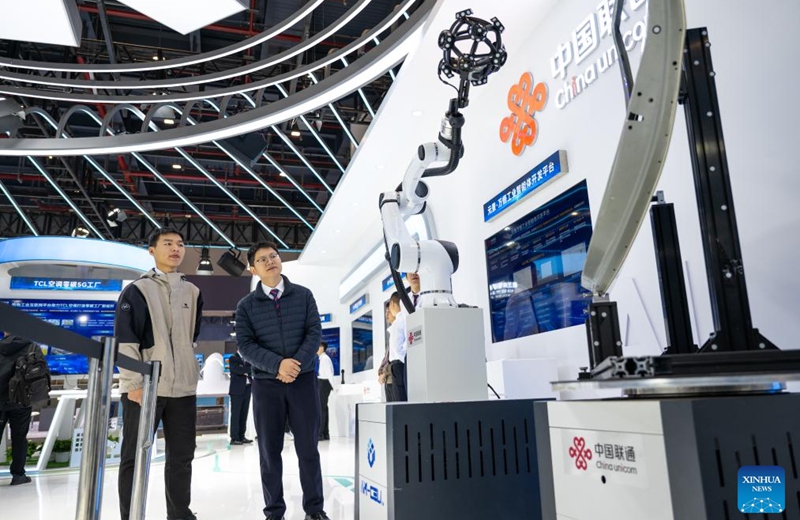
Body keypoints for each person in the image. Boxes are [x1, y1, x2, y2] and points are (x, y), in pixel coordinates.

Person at [235, 241, 329, 520]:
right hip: (266, 385)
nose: (270, 261)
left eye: (273, 255)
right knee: (269, 451)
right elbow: (245, 345)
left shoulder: (303, 295)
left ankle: (315, 510)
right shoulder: (246, 306)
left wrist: (295, 365)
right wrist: (278, 365)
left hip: (303, 380)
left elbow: (314, 332)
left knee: (308, 448)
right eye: (262, 259)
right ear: (253, 269)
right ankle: (274, 511)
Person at [115, 228, 203, 520]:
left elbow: (191, 337)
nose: (176, 248)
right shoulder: (137, 290)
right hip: (145, 389)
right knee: (134, 457)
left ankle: (180, 514)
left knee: (182, 457)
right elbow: (126, 340)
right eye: (168, 243)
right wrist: (133, 383)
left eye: (180, 244)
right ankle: (130, 515)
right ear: (152, 250)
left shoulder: (193, 292)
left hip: (183, 389)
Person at [0, 332, 35, 486]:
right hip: (22, 400)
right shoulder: (32, 346)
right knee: (19, 439)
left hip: (0, 400)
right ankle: (18, 475)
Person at [228, 352, 253, 445]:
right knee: (236, 414)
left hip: (247, 389)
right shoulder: (233, 358)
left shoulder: (248, 359)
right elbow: (238, 370)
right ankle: (234, 438)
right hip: (236, 391)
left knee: (244, 414)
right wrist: (246, 371)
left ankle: (242, 436)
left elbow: (252, 369)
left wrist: (245, 371)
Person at [386, 292, 407, 402]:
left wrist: (404, 360)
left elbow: (397, 348)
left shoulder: (398, 322)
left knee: (399, 399)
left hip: (398, 365)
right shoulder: (406, 318)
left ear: (393, 303)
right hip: (402, 364)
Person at [316, 341, 334, 441]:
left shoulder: (325, 359)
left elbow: (329, 373)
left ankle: (320, 433)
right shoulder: (322, 359)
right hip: (323, 383)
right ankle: (325, 433)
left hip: (324, 383)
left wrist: (332, 386)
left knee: (321, 408)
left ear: (322, 348)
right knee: (324, 408)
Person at [378, 305, 396, 402]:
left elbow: (395, 359)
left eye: (389, 311)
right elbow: (387, 356)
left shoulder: (398, 330)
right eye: (386, 312)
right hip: (388, 381)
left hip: (394, 379)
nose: (387, 315)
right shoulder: (391, 333)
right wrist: (381, 371)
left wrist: (384, 372)